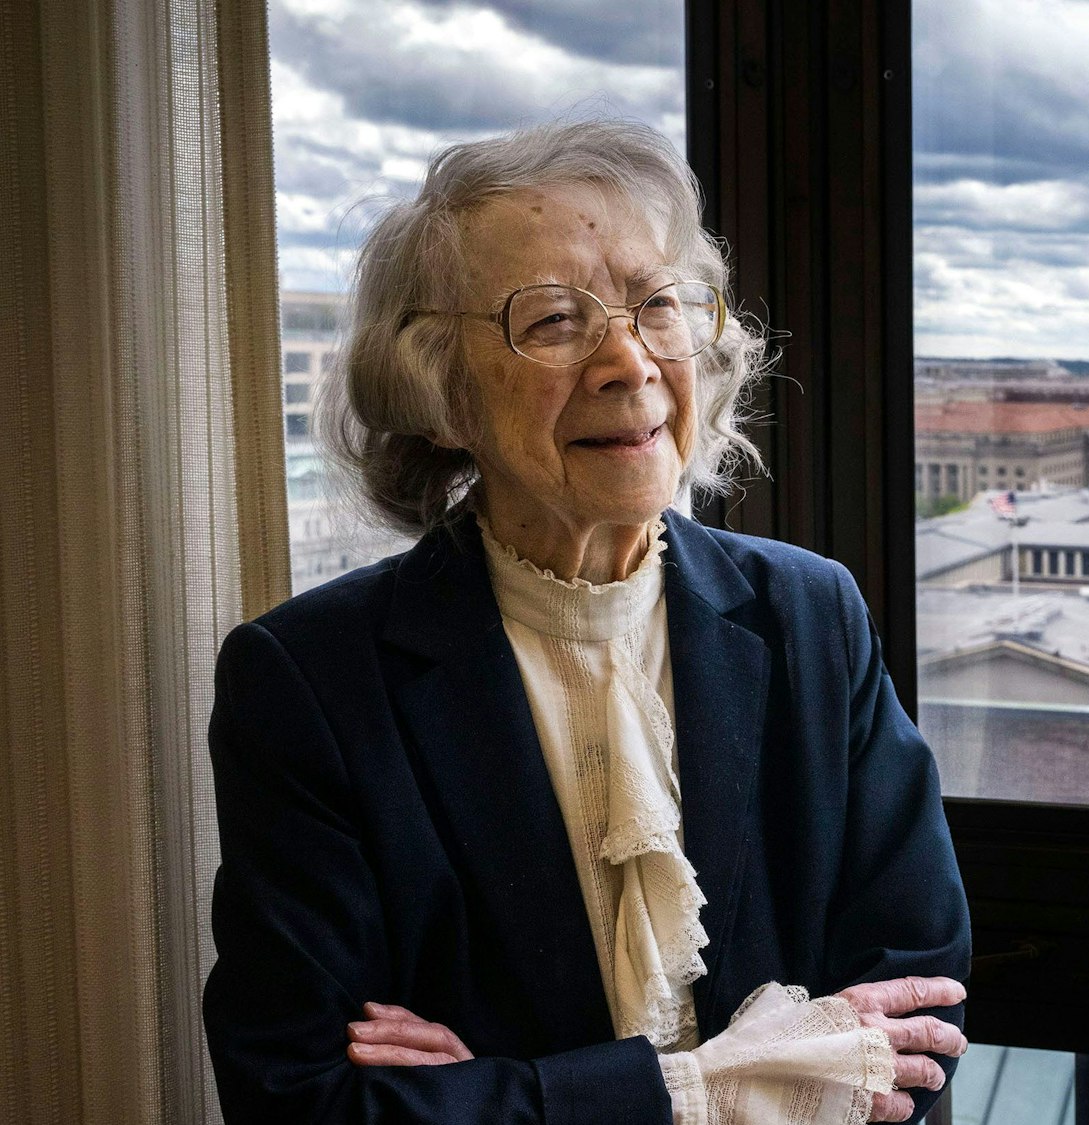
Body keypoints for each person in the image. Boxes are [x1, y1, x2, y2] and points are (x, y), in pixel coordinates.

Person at [202, 119, 971, 1125]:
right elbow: (299, 1097)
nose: (628, 359)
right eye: (556, 321)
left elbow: (915, 1024)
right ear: (441, 389)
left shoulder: (810, 613)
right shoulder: (310, 679)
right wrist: (715, 1091)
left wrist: (505, 1097)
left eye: (659, 304)